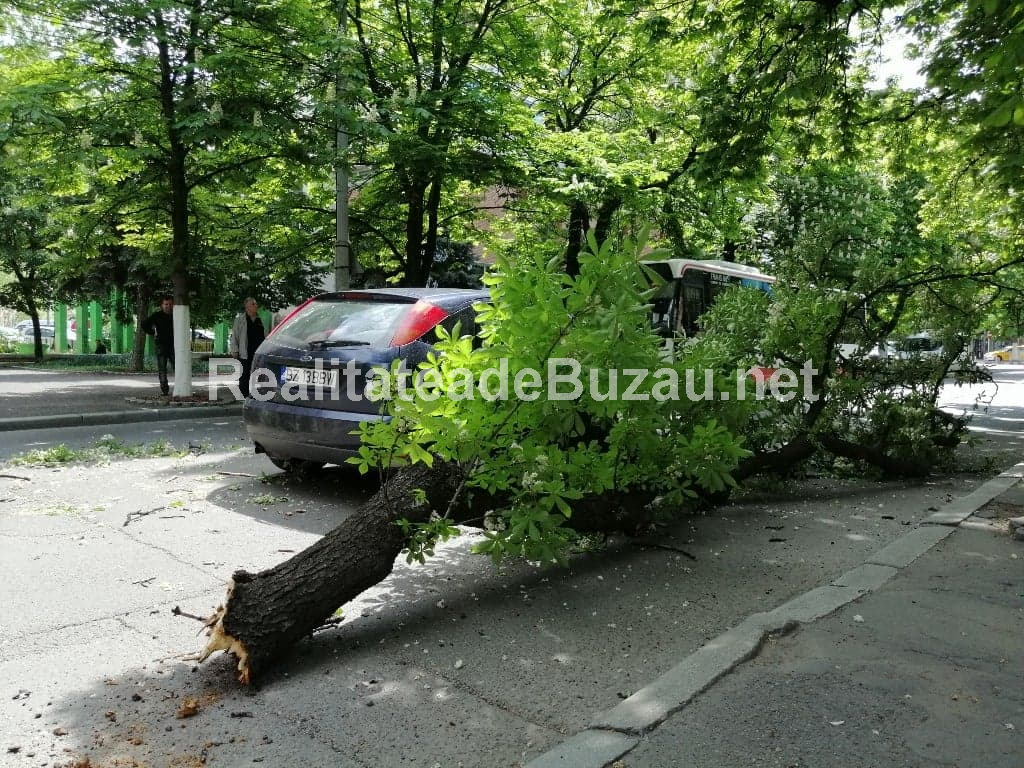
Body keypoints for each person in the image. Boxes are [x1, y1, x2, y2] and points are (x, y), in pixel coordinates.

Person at [229, 297, 265, 398]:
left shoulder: (260, 319)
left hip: (258, 353)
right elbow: (234, 336)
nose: (256, 306)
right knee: (244, 374)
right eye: (253, 304)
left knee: (257, 374)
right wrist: (234, 350)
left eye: (256, 304)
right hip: (245, 352)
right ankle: (244, 395)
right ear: (247, 306)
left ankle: (255, 394)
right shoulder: (239, 320)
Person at [141, 296, 174, 395]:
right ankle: (165, 390)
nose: (168, 306)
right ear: (162, 305)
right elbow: (144, 324)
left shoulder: (176, 315)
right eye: (166, 304)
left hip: (174, 346)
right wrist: (153, 333)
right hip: (161, 346)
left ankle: (181, 388)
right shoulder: (157, 316)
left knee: (178, 366)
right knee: (162, 369)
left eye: (170, 304)